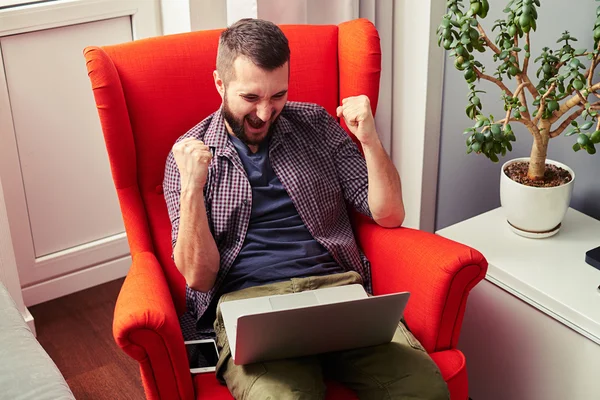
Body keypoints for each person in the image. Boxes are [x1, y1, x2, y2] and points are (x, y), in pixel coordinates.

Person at [163, 18, 448, 400]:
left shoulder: (316, 125)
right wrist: (192, 187)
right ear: (220, 83)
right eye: (251, 98)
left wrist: (370, 138)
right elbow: (199, 278)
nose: (265, 113)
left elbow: (390, 214)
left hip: (338, 291)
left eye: (277, 95)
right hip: (251, 306)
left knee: (425, 390)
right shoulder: (188, 155)